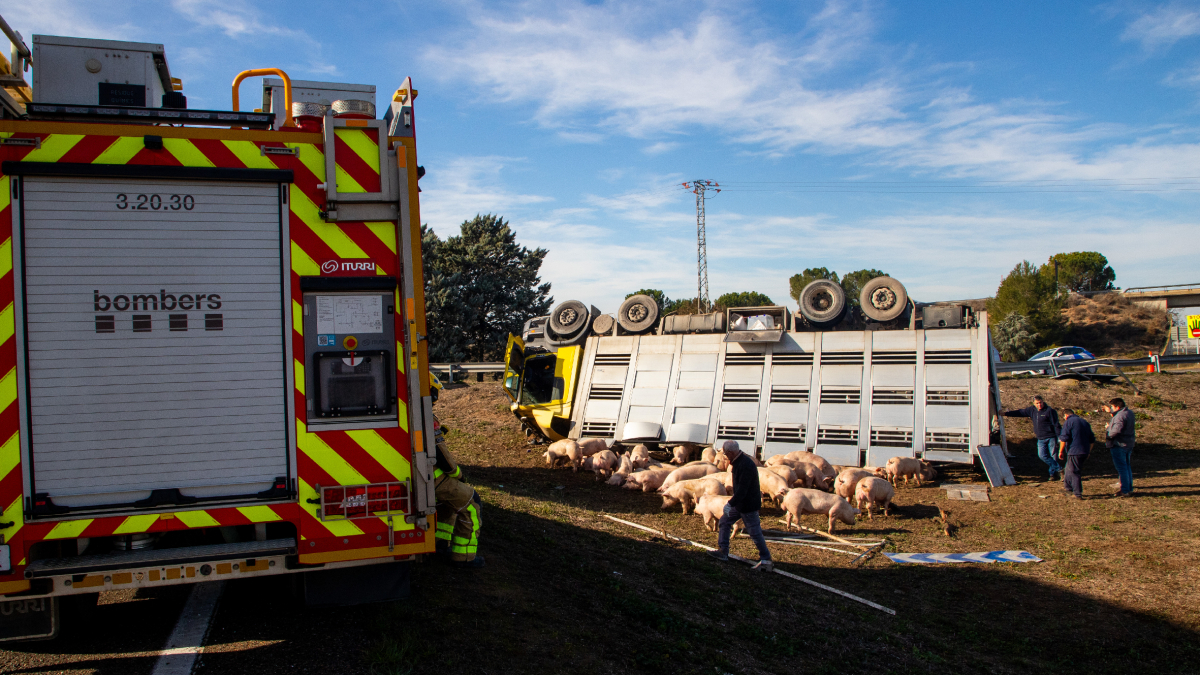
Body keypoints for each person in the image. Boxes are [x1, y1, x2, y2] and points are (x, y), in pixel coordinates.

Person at [430, 375, 484, 568]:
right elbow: (441, 456)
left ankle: (439, 544)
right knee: (472, 503)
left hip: (421, 479)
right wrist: (458, 475)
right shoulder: (427, 418)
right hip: (432, 479)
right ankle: (464, 558)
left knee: (447, 505)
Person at [707, 440, 773, 572]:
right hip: (740, 503)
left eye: (726, 454)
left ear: (731, 452)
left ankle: (766, 559)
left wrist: (730, 503)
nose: (725, 456)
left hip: (748, 504)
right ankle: (723, 551)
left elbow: (743, 489)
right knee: (725, 521)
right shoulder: (738, 462)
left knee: (754, 532)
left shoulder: (745, 465)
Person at [1003, 395, 1062, 481]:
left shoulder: (1049, 411)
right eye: (1037, 403)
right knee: (1042, 455)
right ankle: (1059, 468)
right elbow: (1020, 412)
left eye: (1040, 402)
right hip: (1040, 438)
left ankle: (1052, 474)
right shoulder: (1031, 410)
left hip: (1051, 437)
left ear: (1043, 401)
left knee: (1053, 456)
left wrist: (1059, 437)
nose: (1039, 405)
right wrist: (1006, 413)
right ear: (1033, 403)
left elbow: (1056, 424)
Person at [1057, 409, 1095, 500]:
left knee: (1074, 471)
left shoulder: (1069, 422)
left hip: (1074, 450)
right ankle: (1068, 488)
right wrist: (1089, 451)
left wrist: (1060, 451)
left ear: (1065, 415)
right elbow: (1092, 440)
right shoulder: (1084, 422)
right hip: (1084, 450)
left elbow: (1063, 438)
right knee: (1068, 468)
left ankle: (1077, 493)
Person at [1104, 397, 1136, 498]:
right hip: (1129, 443)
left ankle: (1125, 490)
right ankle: (1129, 488)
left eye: (1112, 407)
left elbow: (1116, 429)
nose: (1111, 409)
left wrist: (1109, 432)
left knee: (1121, 468)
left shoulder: (1119, 416)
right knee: (1127, 466)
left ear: (1117, 407)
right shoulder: (1129, 413)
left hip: (1119, 444)